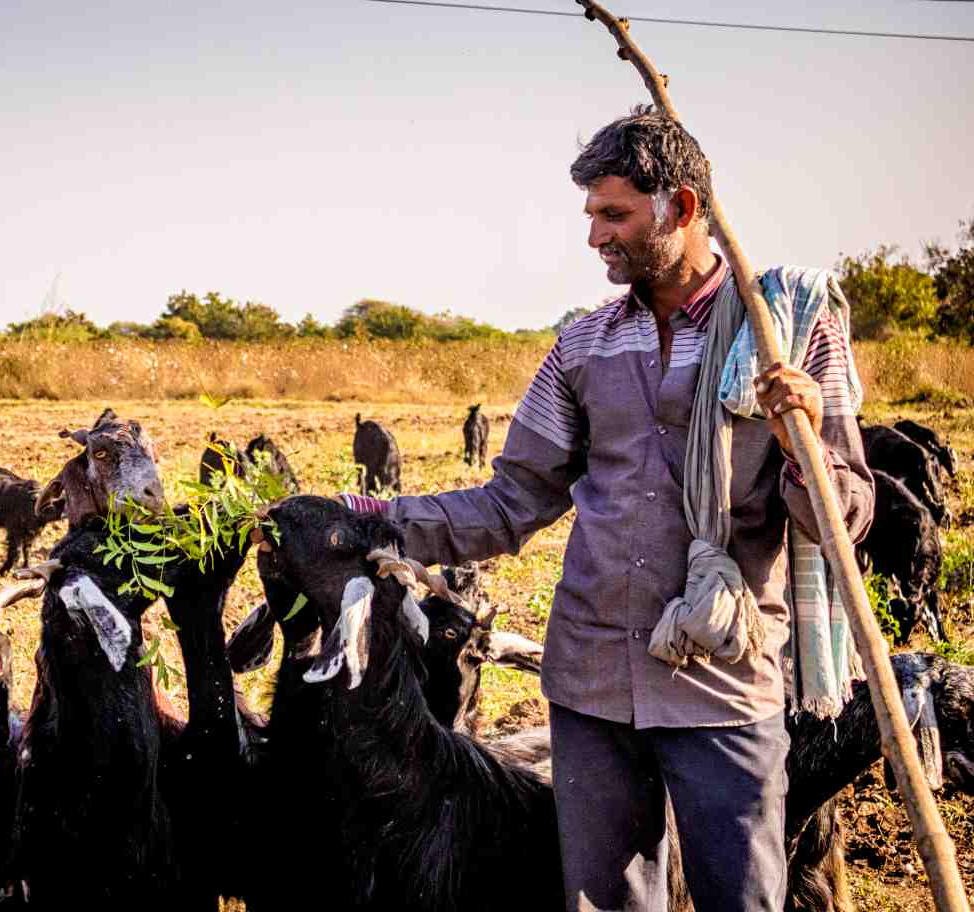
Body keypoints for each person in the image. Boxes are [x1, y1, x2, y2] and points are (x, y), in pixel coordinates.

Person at [340, 106, 874, 912]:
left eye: (614, 214)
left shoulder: (785, 335)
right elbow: (512, 499)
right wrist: (371, 518)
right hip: (590, 680)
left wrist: (798, 439)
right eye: (591, 214)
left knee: (744, 897)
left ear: (682, 209)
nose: (595, 236)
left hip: (720, 679)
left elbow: (847, 515)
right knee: (607, 904)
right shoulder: (584, 345)